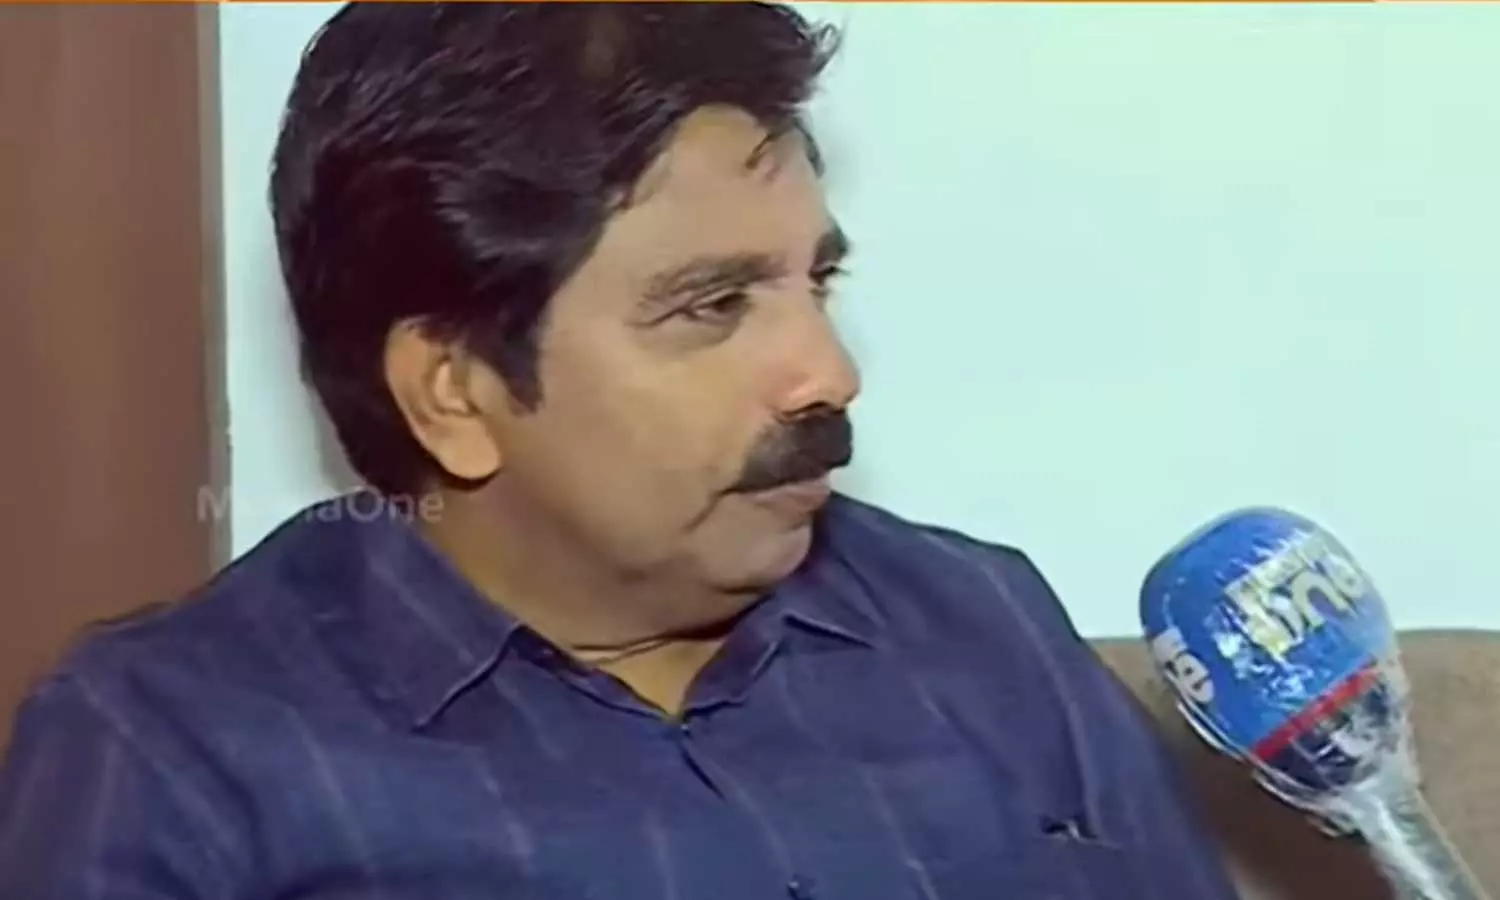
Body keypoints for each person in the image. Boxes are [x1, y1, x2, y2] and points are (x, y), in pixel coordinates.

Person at [0, 4, 1241, 898]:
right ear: (454, 393)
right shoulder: (171, 757)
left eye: (817, 282)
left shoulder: (979, 622)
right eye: (715, 305)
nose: (829, 372)